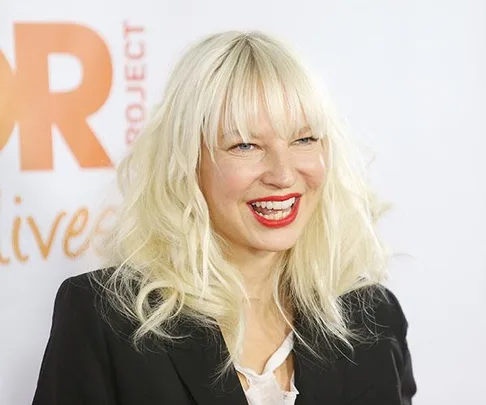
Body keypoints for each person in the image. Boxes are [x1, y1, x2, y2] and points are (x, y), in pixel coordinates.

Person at [32, 31, 416, 405]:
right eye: (245, 145)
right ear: (187, 163)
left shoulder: (376, 317)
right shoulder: (104, 318)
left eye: (303, 140)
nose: (282, 174)